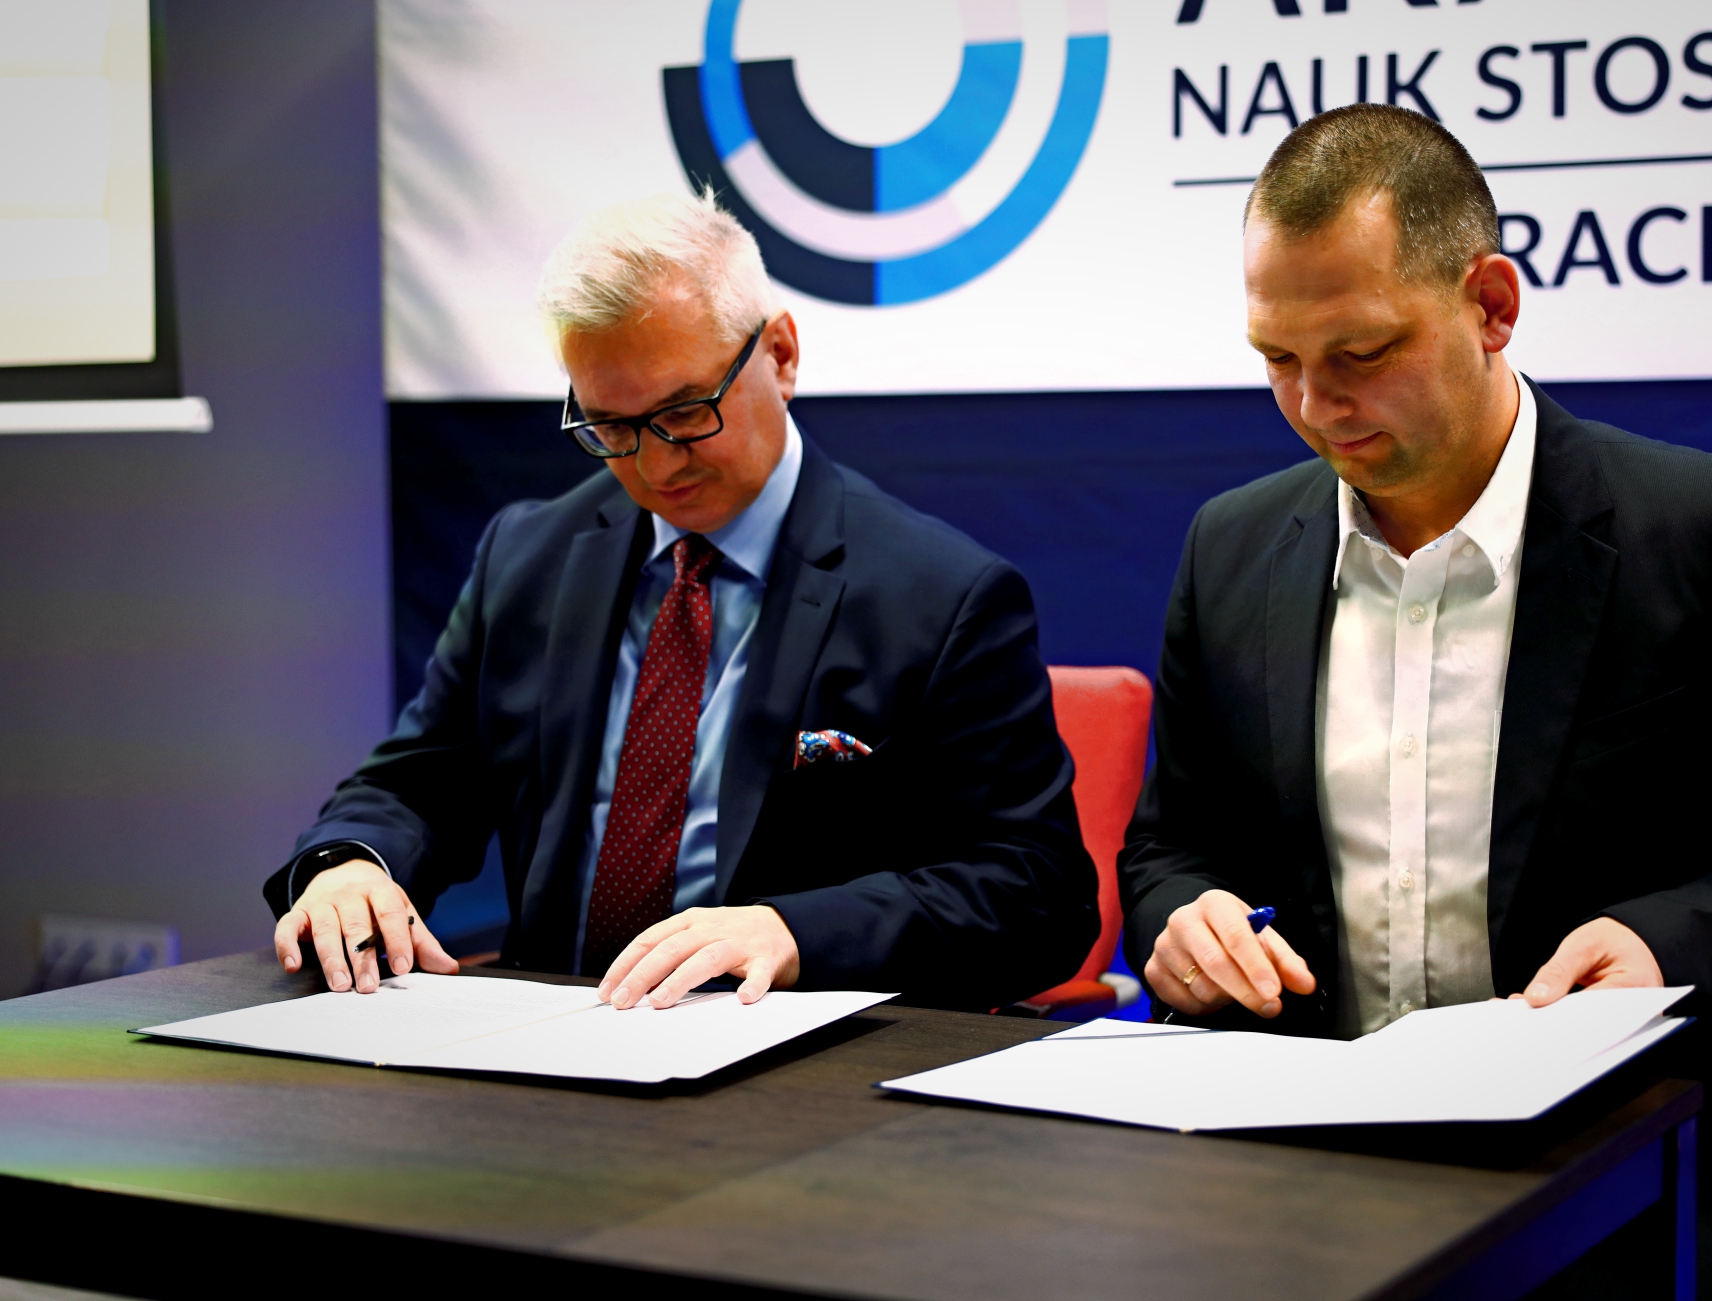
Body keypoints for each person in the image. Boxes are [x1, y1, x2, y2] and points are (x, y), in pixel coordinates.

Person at [1118, 105, 1712, 1297]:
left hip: (1633, 1180)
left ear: (1490, 305)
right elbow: (1168, 845)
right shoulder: (1232, 547)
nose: (1314, 404)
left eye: (1361, 352)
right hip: (1302, 1174)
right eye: (1276, 359)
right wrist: (1182, 916)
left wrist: (1668, 939)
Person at [266, 190, 1097, 1013]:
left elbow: (1039, 892)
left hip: (785, 1053)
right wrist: (351, 863)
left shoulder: (941, 596)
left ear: (781, 355)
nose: (656, 466)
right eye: (610, 428)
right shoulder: (527, 557)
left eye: (686, 413)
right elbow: (417, 783)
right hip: (544, 1035)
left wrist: (795, 932)